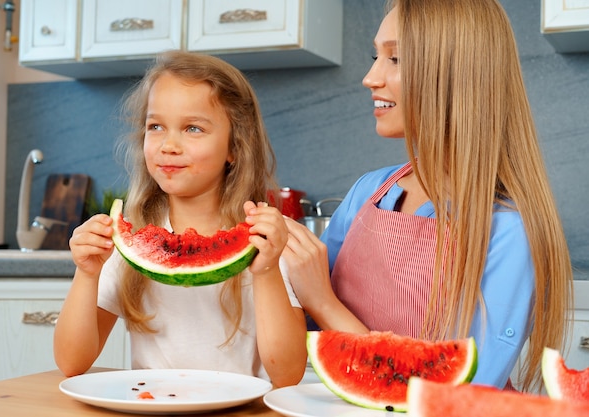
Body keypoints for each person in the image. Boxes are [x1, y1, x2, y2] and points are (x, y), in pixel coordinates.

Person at [283, 0, 573, 392]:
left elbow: (452, 392)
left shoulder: (508, 228)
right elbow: (310, 336)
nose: (370, 77)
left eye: (396, 58)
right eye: (375, 55)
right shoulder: (368, 191)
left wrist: (323, 302)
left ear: (458, 74)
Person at [54, 51, 307, 388]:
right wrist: (86, 275)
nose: (169, 145)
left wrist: (266, 272)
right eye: (156, 126)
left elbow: (287, 374)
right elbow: (72, 361)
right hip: (153, 407)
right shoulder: (131, 240)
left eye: (193, 128)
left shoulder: (266, 241)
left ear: (234, 146)